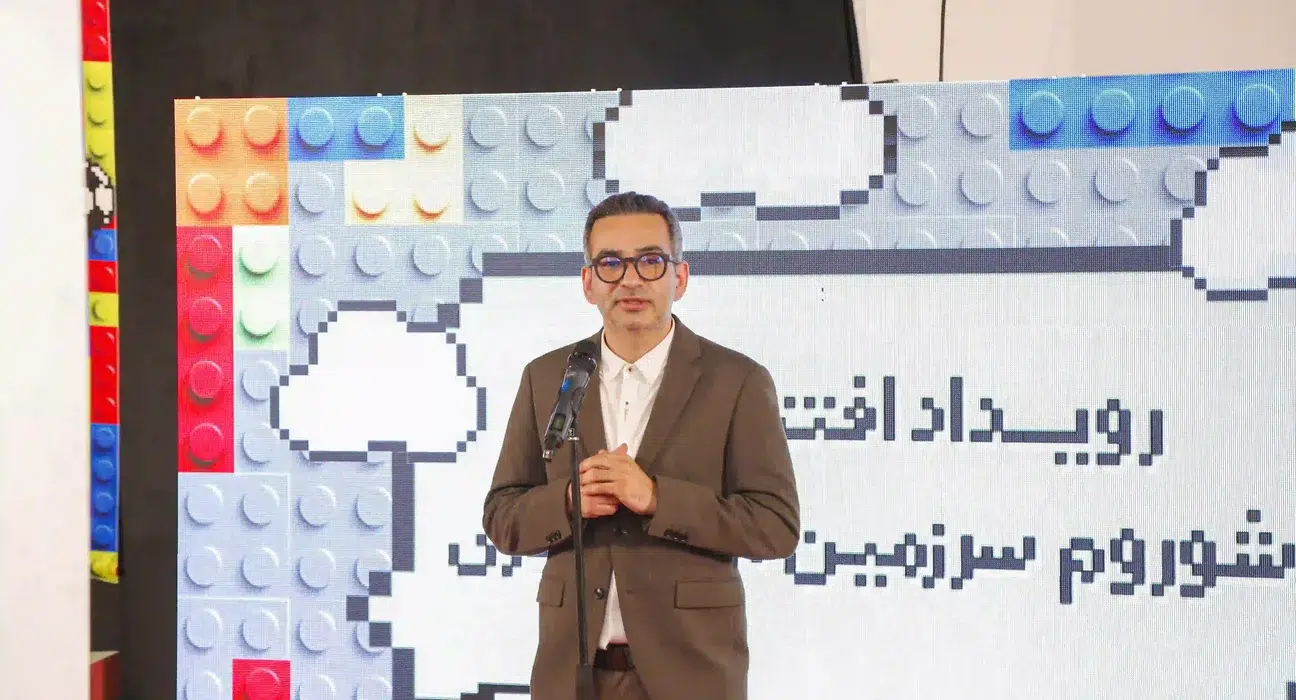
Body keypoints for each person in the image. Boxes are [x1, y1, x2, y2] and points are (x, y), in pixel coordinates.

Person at [482, 191, 801, 700]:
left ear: (681, 277)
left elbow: (776, 526)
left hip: (693, 675)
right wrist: (568, 502)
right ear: (588, 283)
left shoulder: (737, 380)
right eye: (611, 264)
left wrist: (657, 498)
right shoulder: (548, 377)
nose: (630, 280)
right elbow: (502, 516)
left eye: (650, 261)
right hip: (572, 676)